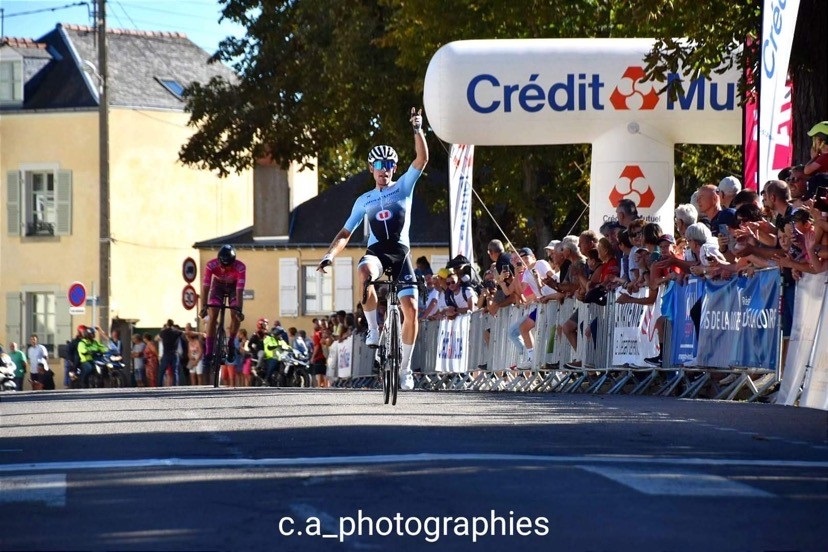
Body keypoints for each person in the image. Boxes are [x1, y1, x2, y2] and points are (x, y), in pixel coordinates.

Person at [317, 107, 428, 391]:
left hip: (401, 252)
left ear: (393, 168)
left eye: (388, 165)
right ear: (371, 169)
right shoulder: (363, 200)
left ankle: (405, 369)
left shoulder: (403, 186)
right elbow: (345, 232)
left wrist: (417, 128)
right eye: (378, 165)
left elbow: (422, 158)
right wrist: (330, 255)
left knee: (411, 310)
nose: (383, 169)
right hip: (378, 252)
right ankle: (374, 330)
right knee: (364, 270)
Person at [200, 244, 246, 366]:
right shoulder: (211, 265)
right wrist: (204, 306)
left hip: (233, 287)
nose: (224, 269)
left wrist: (239, 310)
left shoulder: (240, 267)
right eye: (222, 266)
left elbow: (239, 290)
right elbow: (205, 288)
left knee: (235, 314)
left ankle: (231, 343)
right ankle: (209, 352)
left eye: (228, 266)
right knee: (213, 313)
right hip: (217, 286)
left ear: (233, 262)